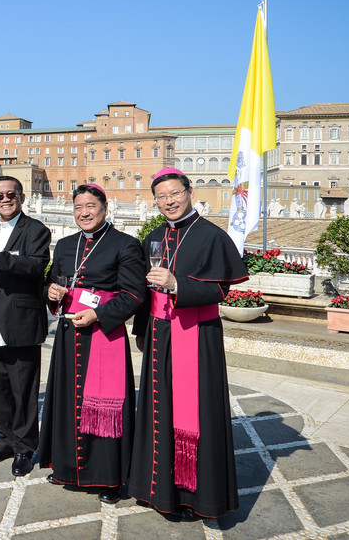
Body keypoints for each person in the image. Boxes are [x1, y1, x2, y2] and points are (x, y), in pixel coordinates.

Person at [130, 167, 249, 520]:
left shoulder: (212, 236)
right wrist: (142, 329)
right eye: (161, 197)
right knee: (158, 410)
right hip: (159, 334)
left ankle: (194, 497)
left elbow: (220, 290)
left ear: (189, 192)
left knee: (196, 413)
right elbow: (146, 293)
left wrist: (177, 284)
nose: (169, 201)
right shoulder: (153, 237)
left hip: (197, 337)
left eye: (175, 193)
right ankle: (156, 488)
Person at [40, 183, 146, 505]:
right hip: (69, 336)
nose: (83, 213)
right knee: (68, 402)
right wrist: (51, 293)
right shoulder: (65, 244)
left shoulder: (126, 244)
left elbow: (134, 295)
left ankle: (109, 477)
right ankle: (67, 468)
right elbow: (54, 282)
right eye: (78, 207)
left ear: (105, 208)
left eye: (90, 206)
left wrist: (99, 314)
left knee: (104, 407)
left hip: (103, 334)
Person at [0, 176, 50, 477]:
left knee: (23, 391)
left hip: (21, 323)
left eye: (10, 194)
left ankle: (25, 448)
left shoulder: (36, 230)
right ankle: (5, 441)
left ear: (22, 197)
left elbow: (34, 267)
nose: (5, 199)